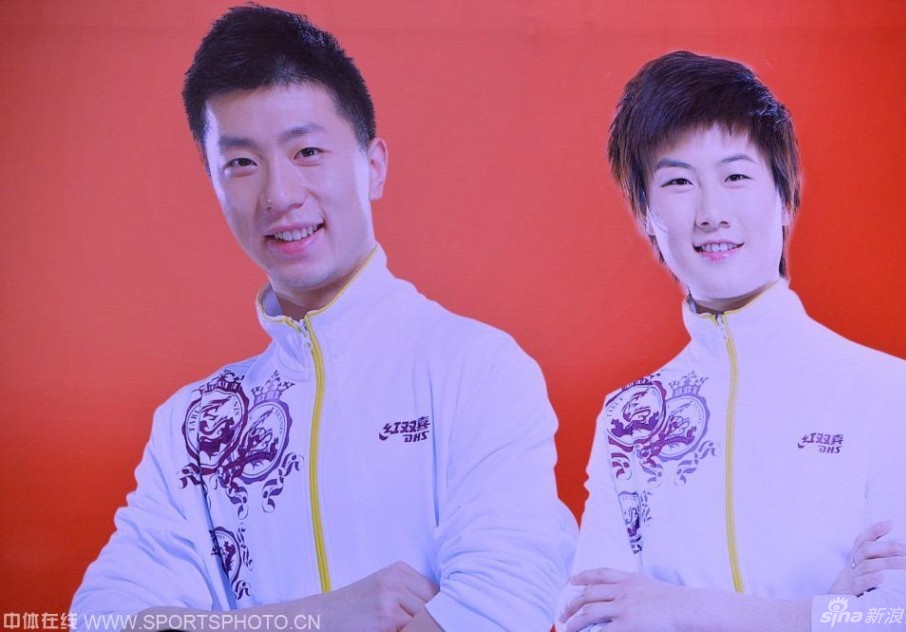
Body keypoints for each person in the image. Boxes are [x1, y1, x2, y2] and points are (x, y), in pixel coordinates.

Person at [71, 5, 576, 631]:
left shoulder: (477, 370)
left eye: (307, 151)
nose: (280, 196)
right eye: (242, 163)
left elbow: (500, 607)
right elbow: (102, 619)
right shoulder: (193, 424)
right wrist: (322, 617)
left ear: (374, 166)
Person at [561, 51, 906, 631]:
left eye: (736, 176)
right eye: (678, 182)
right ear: (646, 215)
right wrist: (830, 609)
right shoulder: (628, 419)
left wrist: (680, 607)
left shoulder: (887, 393)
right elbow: (588, 622)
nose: (712, 212)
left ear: (785, 197)